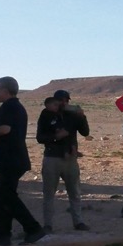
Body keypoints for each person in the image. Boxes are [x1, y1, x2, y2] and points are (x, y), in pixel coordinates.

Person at [0, 77, 46, 246]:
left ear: (6, 90)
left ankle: (33, 228)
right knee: (3, 198)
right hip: (11, 159)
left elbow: (5, 129)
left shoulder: (9, 106)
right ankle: (3, 236)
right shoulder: (15, 106)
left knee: (7, 197)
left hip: (9, 159)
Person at [36, 95, 89, 232]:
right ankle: (48, 224)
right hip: (52, 157)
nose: (64, 103)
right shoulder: (46, 115)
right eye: (61, 100)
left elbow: (85, 132)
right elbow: (40, 137)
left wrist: (82, 117)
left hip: (70, 159)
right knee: (49, 193)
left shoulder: (72, 115)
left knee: (75, 192)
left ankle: (78, 222)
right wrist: (55, 137)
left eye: (66, 100)